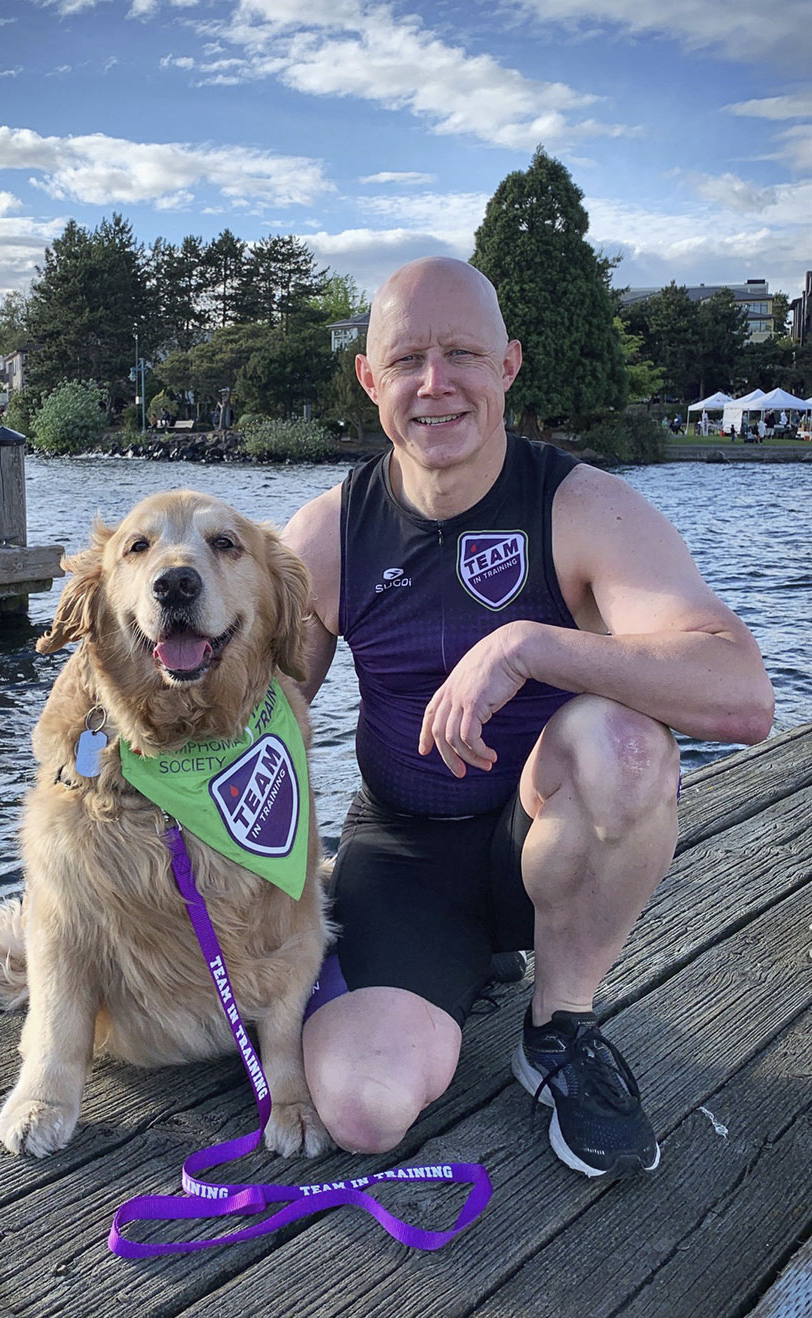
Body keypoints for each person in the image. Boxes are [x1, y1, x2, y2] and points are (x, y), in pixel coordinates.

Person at [283, 257, 774, 1178]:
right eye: (407, 360)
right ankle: (464, 959)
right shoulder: (323, 536)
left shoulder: (583, 508)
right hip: (404, 847)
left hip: (544, 829)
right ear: (369, 378)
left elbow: (742, 694)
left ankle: (558, 1028)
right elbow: (261, 728)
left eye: (462, 354)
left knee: (624, 742)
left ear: (507, 365)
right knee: (361, 1111)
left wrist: (529, 645)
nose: (435, 383)